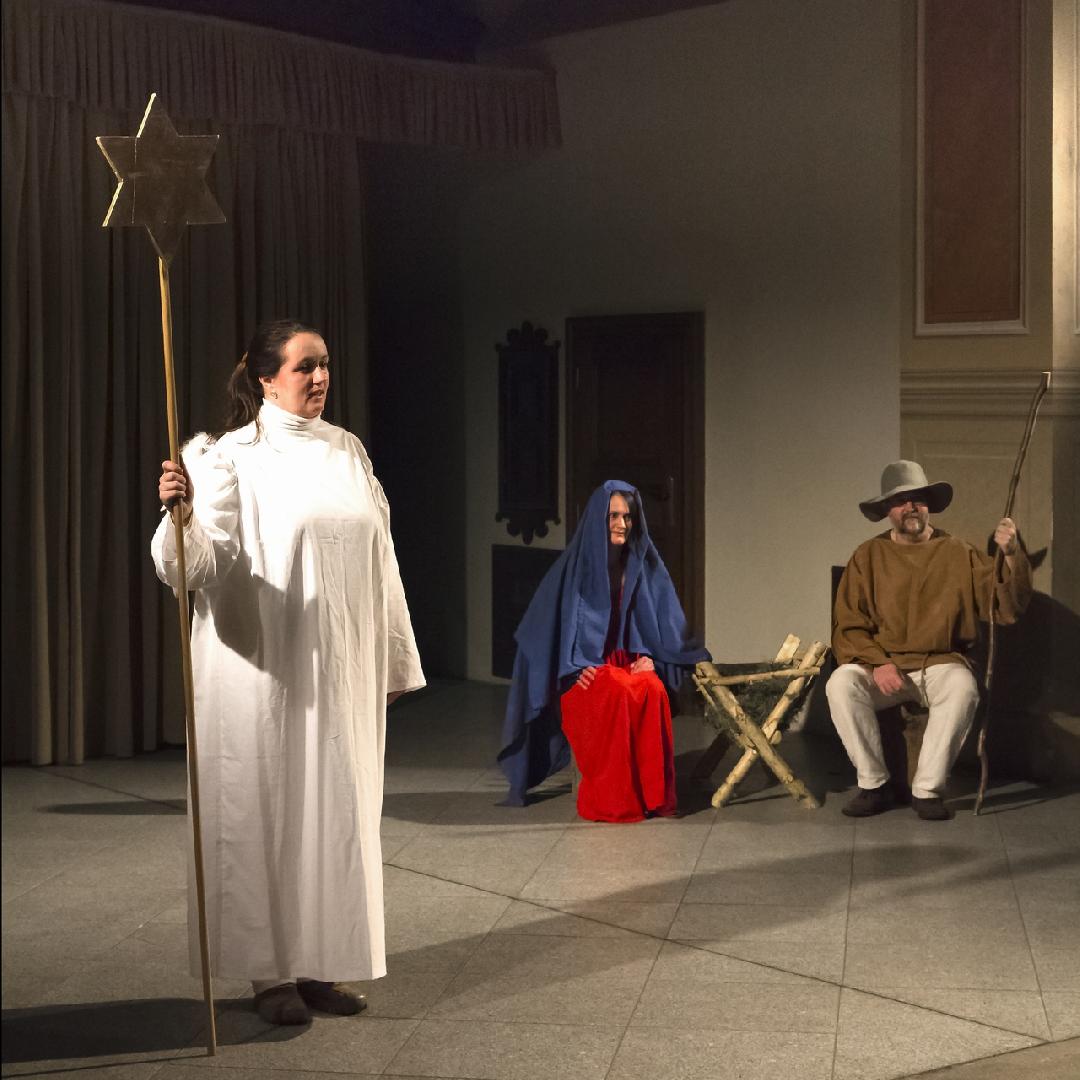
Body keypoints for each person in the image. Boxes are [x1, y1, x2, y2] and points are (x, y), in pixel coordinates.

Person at [153, 319, 424, 1025]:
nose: (320, 377)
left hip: (339, 671)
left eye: (325, 363)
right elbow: (192, 569)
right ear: (266, 378)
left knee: (335, 814)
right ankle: (268, 973)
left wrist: (396, 655)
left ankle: (317, 964)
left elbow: (382, 559)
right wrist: (181, 515)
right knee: (266, 810)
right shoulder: (226, 458)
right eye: (305, 366)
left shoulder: (346, 451)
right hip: (263, 673)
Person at [827, 460, 1031, 821]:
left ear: (928, 506)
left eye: (918, 499)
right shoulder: (867, 557)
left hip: (939, 663)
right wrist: (878, 663)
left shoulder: (958, 552)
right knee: (841, 684)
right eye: (900, 501)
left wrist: (1012, 553)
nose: (911, 507)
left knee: (962, 687)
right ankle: (873, 784)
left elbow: (1003, 606)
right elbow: (849, 625)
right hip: (884, 666)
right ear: (887, 510)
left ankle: (927, 790)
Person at [498, 480, 709, 820]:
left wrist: (650, 658)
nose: (622, 524)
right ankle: (617, 801)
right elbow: (541, 633)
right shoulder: (573, 570)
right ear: (599, 518)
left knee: (652, 688)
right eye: (613, 516)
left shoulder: (642, 565)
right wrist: (571, 668)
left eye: (628, 516)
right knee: (617, 689)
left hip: (625, 662)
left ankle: (653, 798)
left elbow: (665, 624)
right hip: (581, 673)